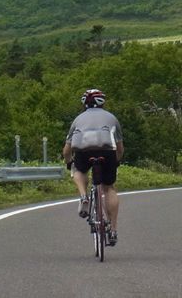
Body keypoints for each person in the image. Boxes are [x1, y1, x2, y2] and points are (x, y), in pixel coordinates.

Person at [63, 89, 124, 246]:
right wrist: (116, 160)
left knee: (79, 169)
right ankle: (114, 230)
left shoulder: (78, 119)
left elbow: (67, 149)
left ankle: (84, 196)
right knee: (109, 187)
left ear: (85, 103)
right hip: (107, 152)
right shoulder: (111, 118)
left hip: (84, 153)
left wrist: (69, 162)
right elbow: (120, 148)